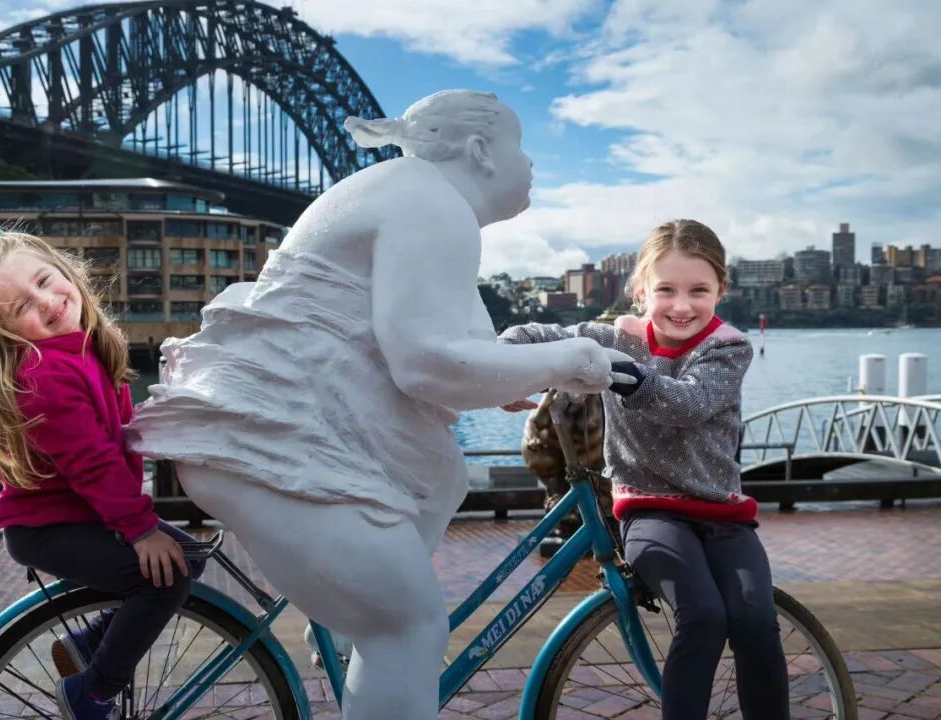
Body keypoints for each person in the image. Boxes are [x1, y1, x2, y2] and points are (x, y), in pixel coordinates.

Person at [125, 90, 633, 720]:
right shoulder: (430, 202)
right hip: (271, 449)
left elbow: (456, 355)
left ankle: (348, 633)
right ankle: (366, 636)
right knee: (409, 628)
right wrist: (570, 359)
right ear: (479, 150)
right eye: (520, 145)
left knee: (442, 483)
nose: (529, 163)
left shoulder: (414, 195)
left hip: (282, 440)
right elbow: (424, 364)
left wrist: (508, 377)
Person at [499, 219, 790, 720]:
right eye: (666, 290)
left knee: (754, 618)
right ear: (640, 291)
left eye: (699, 290)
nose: (682, 305)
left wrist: (627, 377)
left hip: (724, 515)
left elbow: (691, 403)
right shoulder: (617, 338)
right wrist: (503, 365)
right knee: (703, 615)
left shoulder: (728, 348)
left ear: (721, 290)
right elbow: (537, 335)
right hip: (650, 511)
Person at [0, 231, 204, 720]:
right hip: (49, 528)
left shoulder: (81, 347)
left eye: (45, 281)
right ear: (5, 333)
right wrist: (141, 530)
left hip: (79, 512)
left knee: (188, 557)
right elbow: (95, 465)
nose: (46, 301)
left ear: (67, 272)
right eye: (22, 306)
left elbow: (114, 432)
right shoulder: (44, 377)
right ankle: (91, 694)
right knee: (167, 579)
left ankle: (89, 644)